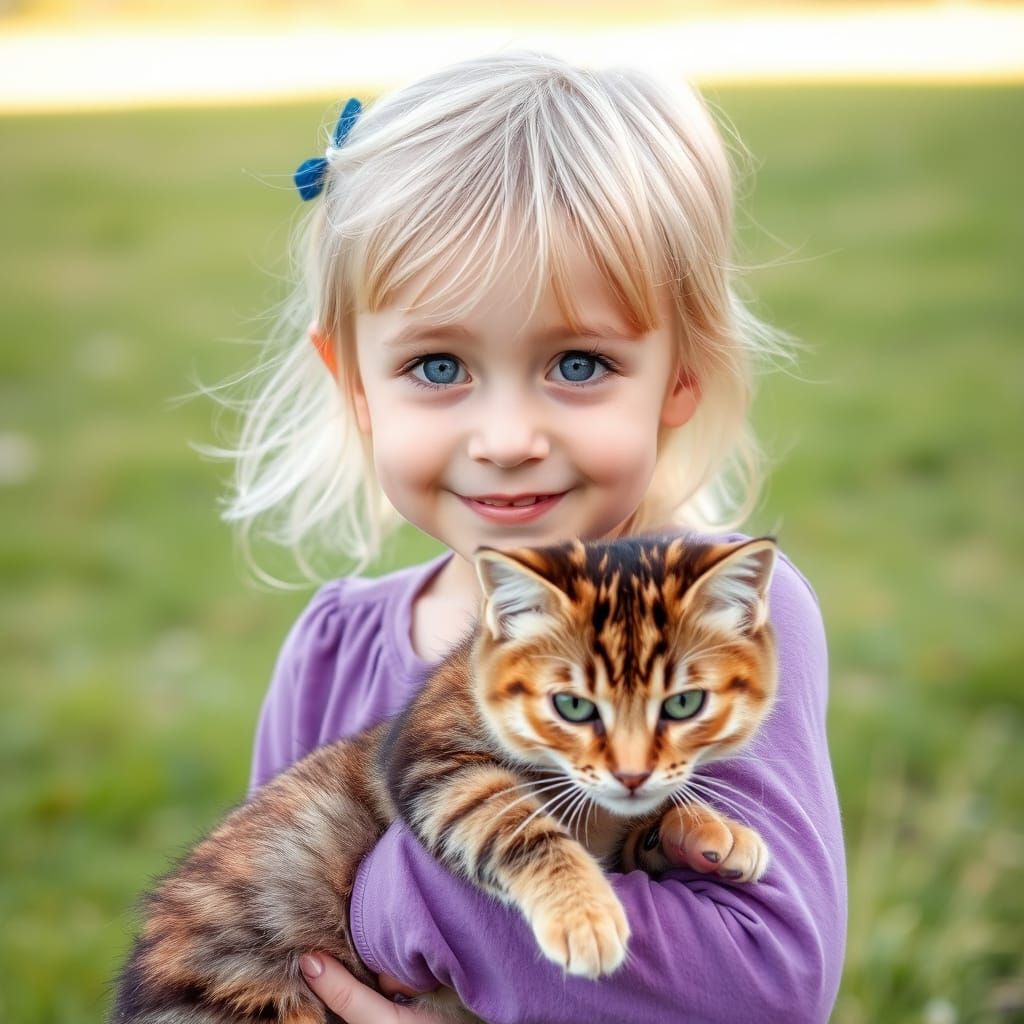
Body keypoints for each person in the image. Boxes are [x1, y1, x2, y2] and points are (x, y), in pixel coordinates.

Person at [227, 49, 846, 1023]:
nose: (508, 440)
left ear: (680, 374)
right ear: (353, 383)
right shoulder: (331, 647)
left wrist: (395, 893)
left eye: (576, 361)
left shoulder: (713, 629)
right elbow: (264, 936)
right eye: (437, 366)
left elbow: (763, 982)